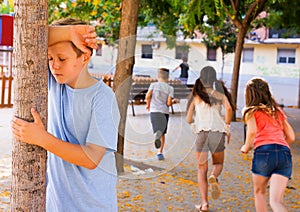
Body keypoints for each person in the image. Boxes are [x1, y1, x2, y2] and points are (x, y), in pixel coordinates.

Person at [11, 18, 120, 211]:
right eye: (50, 59)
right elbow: (26, 37)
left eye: (62, 59)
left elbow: (91, 158)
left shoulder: (103, 97)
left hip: (93, 206)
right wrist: (70, 33)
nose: (55, 66)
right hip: (57, 205)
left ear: (84, 57)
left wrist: (42, 139)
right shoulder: (54, 84)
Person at [240, 77, 295, 212]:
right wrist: (279, 147)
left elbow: (252, 131)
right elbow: (291, 137)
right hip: (284, 153)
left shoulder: (250, 111)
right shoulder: (277, 111)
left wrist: (246, 147)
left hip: (263, 153)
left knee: (260, 193)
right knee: (276, 201)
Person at [186, 66, 233, 212]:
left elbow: (188, 119)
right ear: (213, 79)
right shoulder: (219, 95)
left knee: (201, 170)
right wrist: (227, 127)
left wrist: (195, 123)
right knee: (218, 163)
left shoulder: (196, 96)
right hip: (218, 133)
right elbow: (230, 109)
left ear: (201, 78)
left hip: (202, 135)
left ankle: (204, 204)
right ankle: (214, 176)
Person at [145, 68, 174, 160]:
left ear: (158, 76)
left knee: (157, 129)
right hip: (164, 112)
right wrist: (173, 102)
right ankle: (160, 152)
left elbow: (148, 96)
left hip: (154, 111)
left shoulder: (153, 85)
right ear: (168, 77)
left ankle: (156, 133)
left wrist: (148, 105)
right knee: (163, 133)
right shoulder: (170, 88)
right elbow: (168, 103)